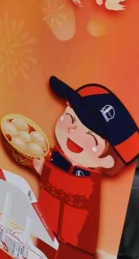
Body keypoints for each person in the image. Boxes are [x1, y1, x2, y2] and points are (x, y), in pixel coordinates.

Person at [32, 77, 139, 259]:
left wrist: (46, 172)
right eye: (70, 117)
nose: (72, 130)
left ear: (107, 161)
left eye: (90, 134)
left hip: (74, 243)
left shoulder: (90, 179)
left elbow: (75, 193)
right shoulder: (56, 156)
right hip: (46, 229)